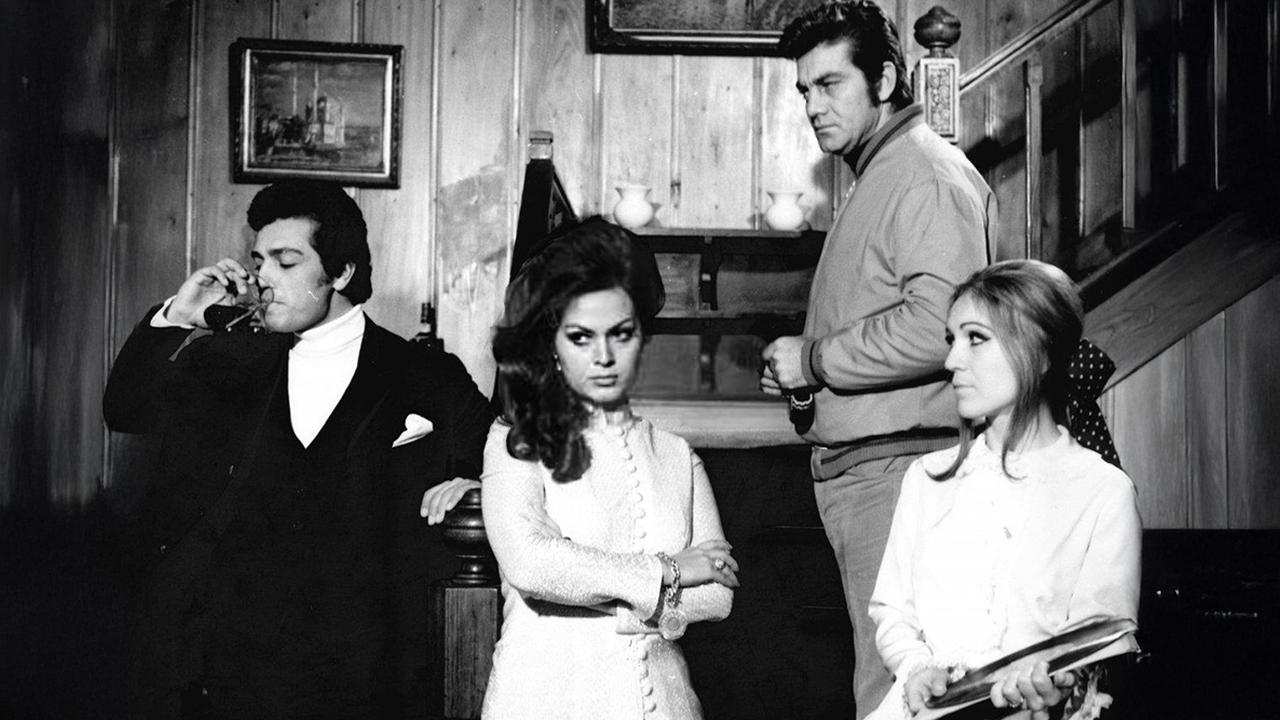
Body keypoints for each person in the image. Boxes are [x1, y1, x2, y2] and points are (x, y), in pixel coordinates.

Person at [103, 180, 493, 719]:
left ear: (341, 273)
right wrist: (179, 316)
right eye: (258, 261)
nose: (263, 277)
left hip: (369, 674)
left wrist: (477, 482)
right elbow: (126, 409)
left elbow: (501, 457)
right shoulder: (227, 361)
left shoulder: (427, 374)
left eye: (286, 262)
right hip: (229, 669)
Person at [760, 2, 995, 716]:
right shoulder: (884, 172)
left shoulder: (923, 174)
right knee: (892, 689)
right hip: (873, 473)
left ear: (886, 79)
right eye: (805, 90)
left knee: (902, 697)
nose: (813, 106)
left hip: (899, 474)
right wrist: (804, 373)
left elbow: (942, 327)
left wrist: (816, 360)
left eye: (830, 84)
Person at [479, 219, 737, 720]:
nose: (604, 356)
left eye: (621, 334)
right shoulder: (517, 441)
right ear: (552, 342)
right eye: (581, 337)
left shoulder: (676, 454)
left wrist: (599, 594)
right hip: (546, 702)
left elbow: (718, 594)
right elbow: (531, 564)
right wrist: (670, 570)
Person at [868, 260, 1140, 720]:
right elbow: (893, 612)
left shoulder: (1103, 490)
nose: (952, 361)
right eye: (952, 340)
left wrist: (1053, 684)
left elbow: (1099, 639)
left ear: (1040, 351)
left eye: (975, 338)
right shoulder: (926, 478)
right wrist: (917, 668)